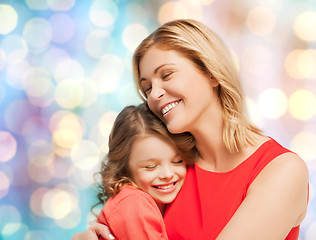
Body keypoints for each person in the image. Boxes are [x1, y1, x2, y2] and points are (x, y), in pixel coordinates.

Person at [72, 19, 309, 240]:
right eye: (147, 88)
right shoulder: (171, 172)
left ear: (211, 72)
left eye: (167, 75)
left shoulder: (282, 170)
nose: (154, 95)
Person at [77, 103, 196, 240]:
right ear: (125, 168)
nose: (168, 174)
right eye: (150, 166)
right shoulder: (134, 203)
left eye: (177, 161)